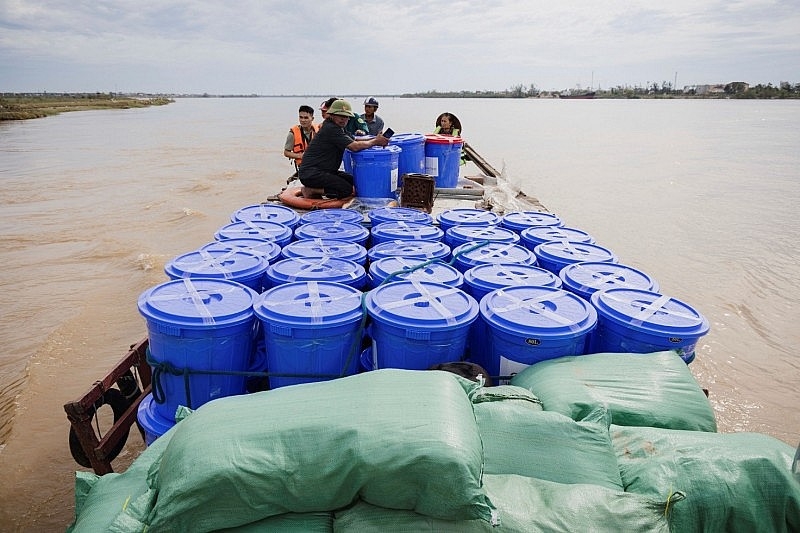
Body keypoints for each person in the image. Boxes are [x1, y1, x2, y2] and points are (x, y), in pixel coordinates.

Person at [298, 99, 389, 199]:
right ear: (332, 115)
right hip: (311, 174)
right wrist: (375, 142)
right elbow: (354, 146)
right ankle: (311, 190)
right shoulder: (331, 128)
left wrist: (376, 139)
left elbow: (354, 139)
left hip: (325, 170)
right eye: (339, 116)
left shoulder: (339, 127)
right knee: (346, 190)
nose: (343, 119)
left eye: (345, 116)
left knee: (351, 180)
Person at [283, 105, 318, 171]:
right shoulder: (293, 133)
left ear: (312, 118)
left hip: (318, 164)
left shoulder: (318, 130)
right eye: (301, 117)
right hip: (303, 167)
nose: (303, 120)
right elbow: (286, 152)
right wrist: (301, 156)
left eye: (306, 118)